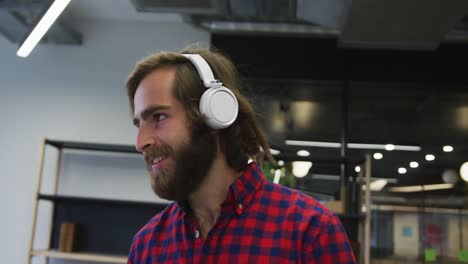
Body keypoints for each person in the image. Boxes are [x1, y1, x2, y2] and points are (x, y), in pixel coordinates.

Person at [125, 47, 356, 263]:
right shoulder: (148, 246)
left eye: (159, 117)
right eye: (139, 124)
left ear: (212, 116)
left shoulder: (310, 232)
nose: (141, 142)